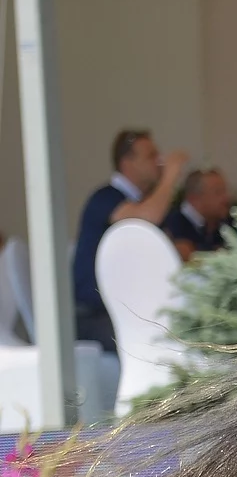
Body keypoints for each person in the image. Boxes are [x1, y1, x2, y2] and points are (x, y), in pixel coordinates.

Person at [72, 129, 188, 351]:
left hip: (123, 312)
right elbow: (145, 218)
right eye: (151, 156)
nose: (160, 161)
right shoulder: (105, 197)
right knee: (158, 344)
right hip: (93, 316)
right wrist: (171, 176)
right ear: (127, 163)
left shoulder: (139, 201)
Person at [163, 168, 232, 262]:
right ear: (194, 198)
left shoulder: (224, 224)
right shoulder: (173, 224)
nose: (226, 198)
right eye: (218, 192)